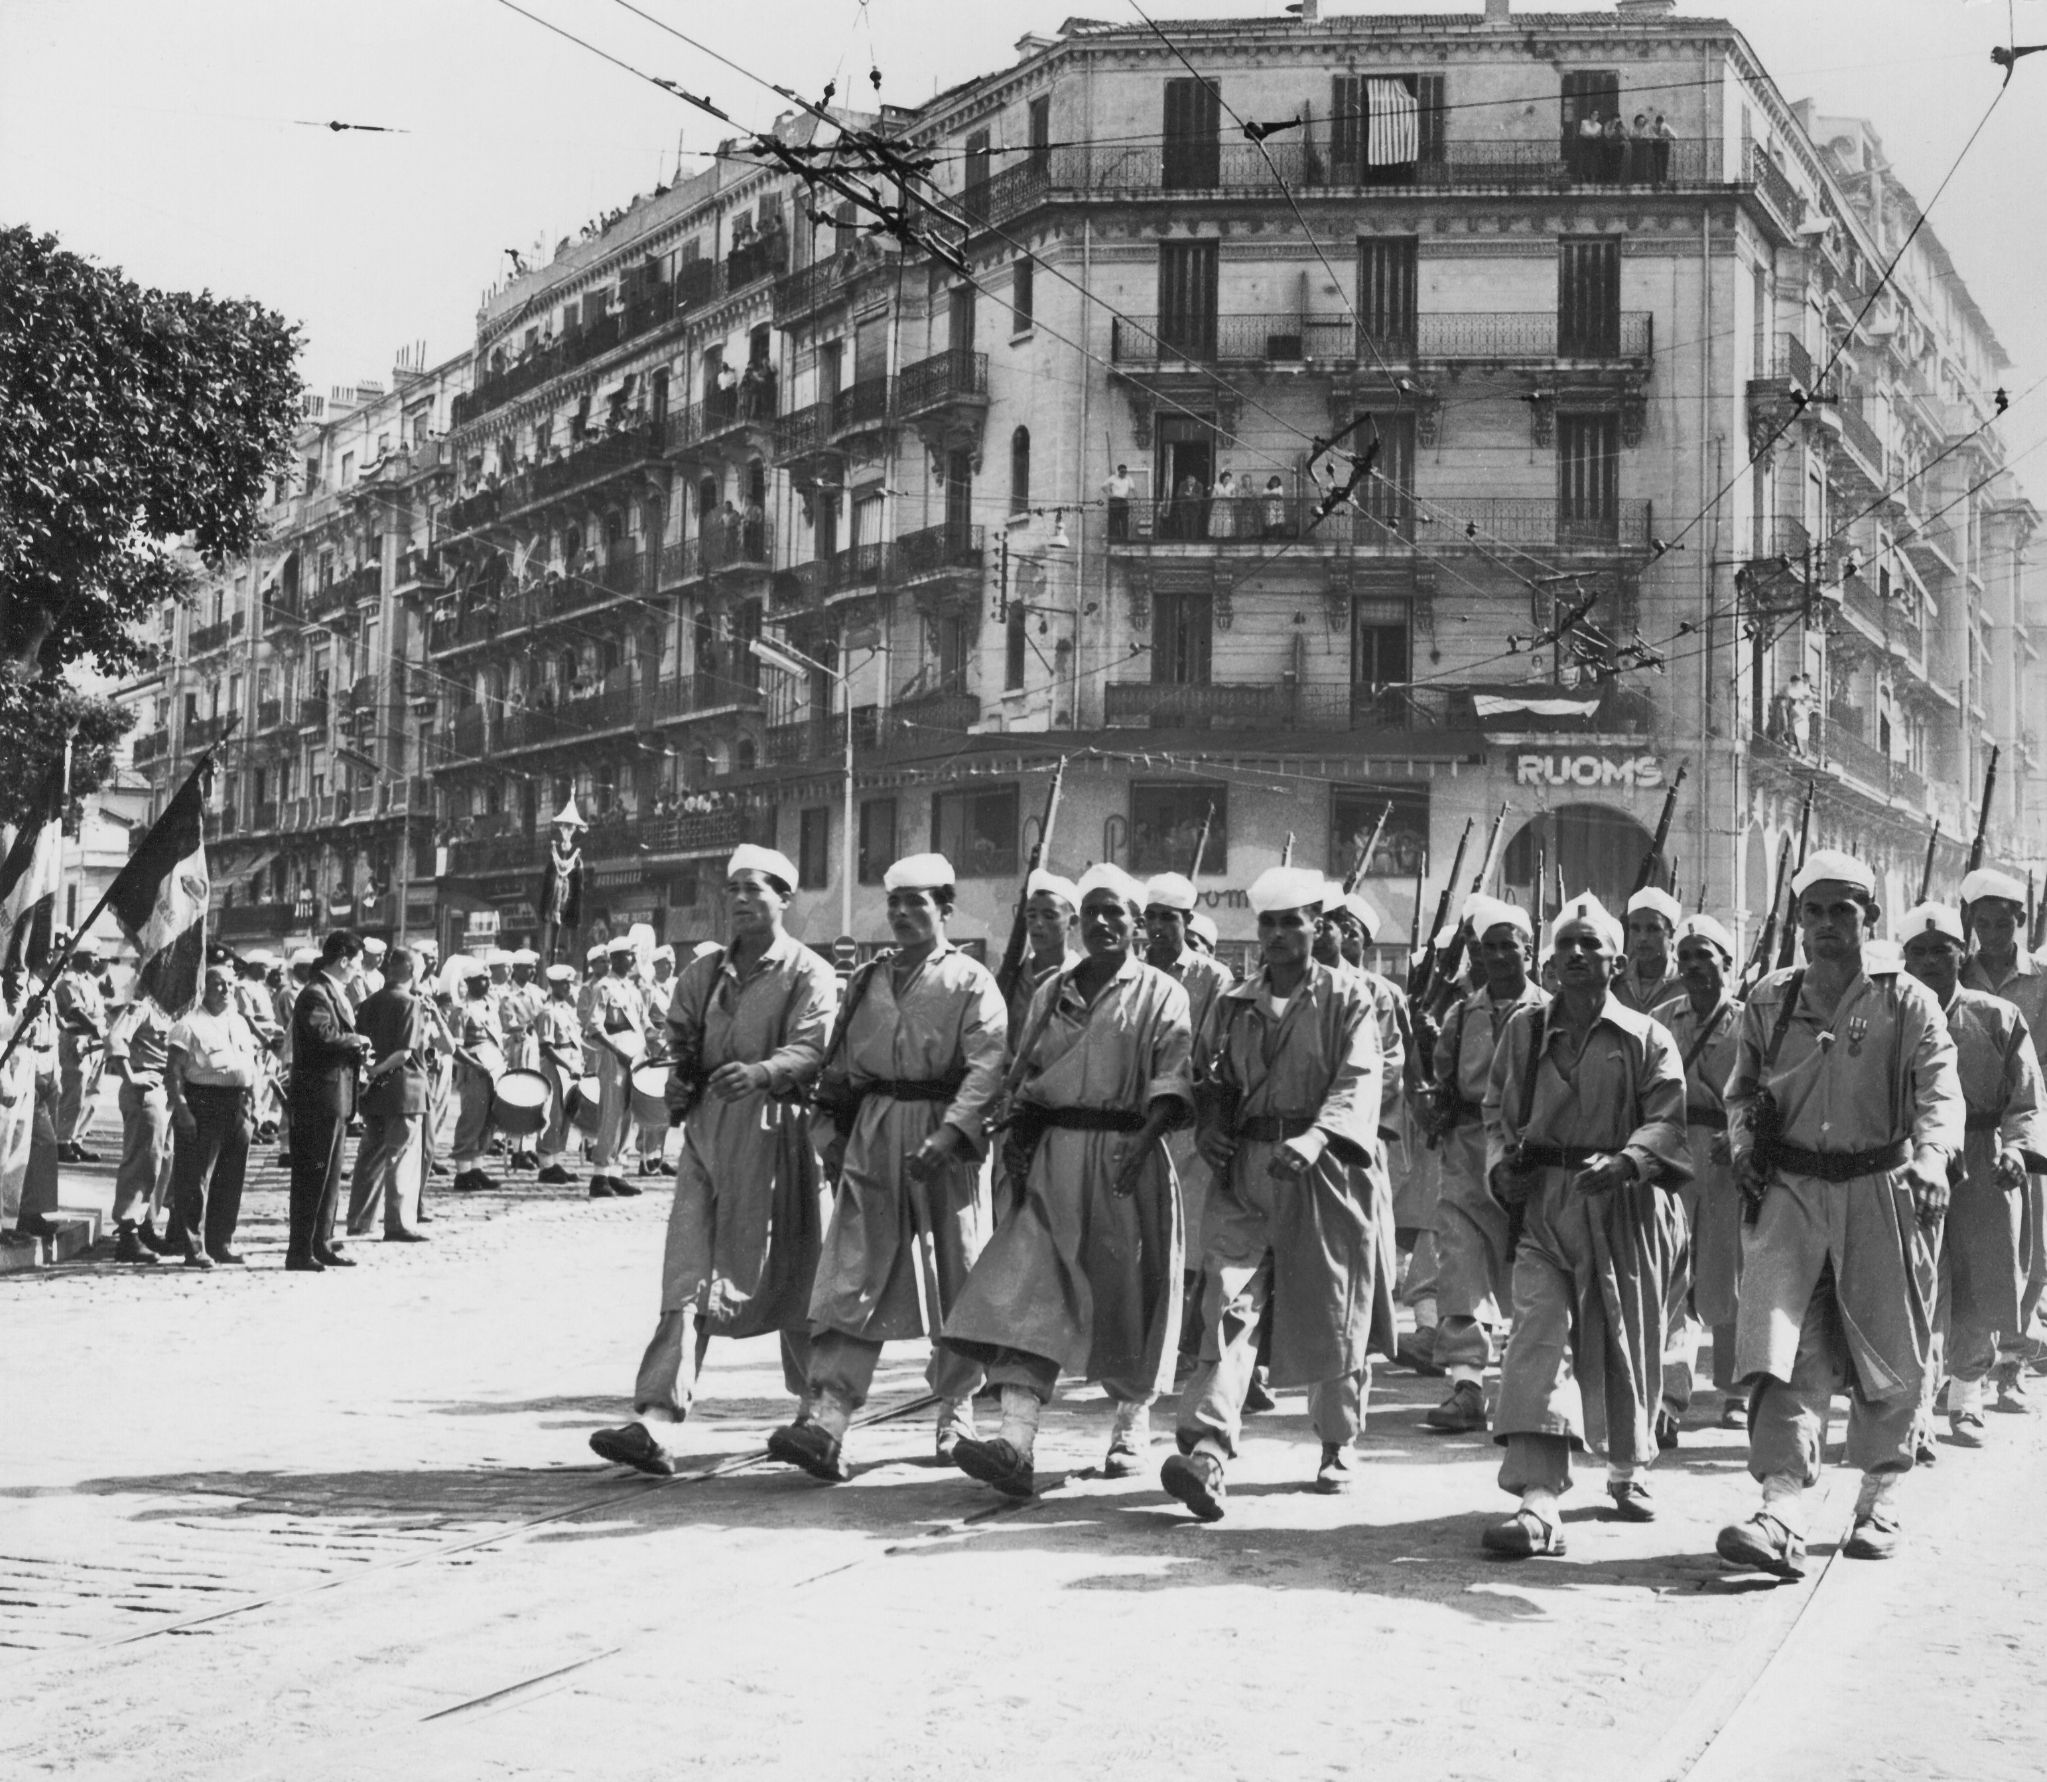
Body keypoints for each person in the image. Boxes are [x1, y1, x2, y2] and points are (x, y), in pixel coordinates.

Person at [1716, 851, 1963, 1578]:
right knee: (1784, 1350)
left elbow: (1938, 1088)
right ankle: (1780, 1506)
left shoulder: (1904, 999)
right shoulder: (1769, 999)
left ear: (1868, 919)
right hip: (1790, 1196)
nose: (1826, 926)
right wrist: (1741, 1147)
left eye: (1842, 911)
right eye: (1813, 912)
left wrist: (1930, 1158)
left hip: (1879, 1191)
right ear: (1797, 921)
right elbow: (1739, 1090)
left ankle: (1878, 1497)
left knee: (1889, 1350)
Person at [940, 864, 1193, 1497]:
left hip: (1124, 1160)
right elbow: (1025, 1075)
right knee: (1030, 1292)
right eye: (1093, 912)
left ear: (1137, 925)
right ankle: (1015, 1443)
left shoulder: (1163, 993)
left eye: (1118, 913)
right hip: (1053, 1160)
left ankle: (1131, 1425)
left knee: (1129, 1298)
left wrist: (1143, 1141)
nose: (1104, 922)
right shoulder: (1054, 988)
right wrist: (1020, 1139)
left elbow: (1173, 1076)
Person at [588, 846, 839, 1476]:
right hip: (707, 1140)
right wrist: (680, 1083)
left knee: (797, 1276)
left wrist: (763, 1072)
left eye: (756, 890)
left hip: (780, 1137)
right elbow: (681, 1043)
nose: (742, 901)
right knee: (687, 1274)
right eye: (733, 890)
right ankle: (654, 1420)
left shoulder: (808, 972)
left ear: (785, 898)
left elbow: (812, 1048)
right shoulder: (702, 976)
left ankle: (819, 1421)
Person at [768, 853, 1008, 1481]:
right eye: (894, 903)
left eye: (917, 903)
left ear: (945, 910)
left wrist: (955, 1130)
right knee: (851, 1275)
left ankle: (955, 1407)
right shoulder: (869, 979)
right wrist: (832, 1141)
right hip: (874, 1137)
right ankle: (829, 1419)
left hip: (941, 1139)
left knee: (957, 1273)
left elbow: (987, 1065)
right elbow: (840, 1069)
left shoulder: (971, 980)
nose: (902, 914)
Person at [1162, 865, 1388, 1518]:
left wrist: (1317, 1140)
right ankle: (1207, 1449)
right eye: (1270, 922)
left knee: (1330, 1309)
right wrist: (1206, 1125)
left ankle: (1337, 1441)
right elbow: (1200, 1073)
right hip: (1245, 1172)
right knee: (1226, 1305)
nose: (1282, 933)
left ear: (1317, 926)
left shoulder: (1349, 998)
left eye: (1294, 921)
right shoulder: (1234, 1003)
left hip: (1324, 1172)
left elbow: (1357, 1080)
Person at [1479, 894, 1690, 1558]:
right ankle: (1538, 1500)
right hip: (1544, 1204)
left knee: (1621, 1336)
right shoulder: (1524, 1030)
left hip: (1619, 1205)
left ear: (1616, 962)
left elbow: (1666, 1115)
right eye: (1565, 944)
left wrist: (1629, 1160)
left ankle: (1627, 1467)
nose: (1575, 955)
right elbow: (1495, 1113)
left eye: (1589, 946)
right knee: (1537, 1338)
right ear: (1548, 959)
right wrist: (1500, 1169)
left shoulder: (1645, 1037)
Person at [1897, 903, 2047, 1447]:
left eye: (1943, 950)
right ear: (1904, 958)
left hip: (1985, 1160)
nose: (1932, 960)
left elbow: (2028, 1099)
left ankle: (1966, 1398)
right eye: (1920, 951)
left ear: (1963, 954)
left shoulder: (1997, 1016)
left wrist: (2017, 1148)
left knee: (1981, 1275)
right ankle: (1914, 1408)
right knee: (1917, 1280)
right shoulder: (1894, 1015)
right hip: (1915, 1162)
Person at [1423, 897, 1547, 1434]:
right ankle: (1466, 1383)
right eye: (1488, 947)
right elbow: (1442, 1084)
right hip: (1468, 1152)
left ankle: (1533, 1390)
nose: (1498, 957)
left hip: (1527, 1153)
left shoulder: (1550, 1010)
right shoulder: (1460, 1013)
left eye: (1508, 946)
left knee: (1530, 1271)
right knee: (1460, 1266)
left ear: (1528, 951)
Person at [1651, 915, 1749, 1437]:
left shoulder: (1751, 1019)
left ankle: (1735, 1389)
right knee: (1672, 1275)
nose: (1692, 966)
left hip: (1730, 1163)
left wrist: (1741, 1136)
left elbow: (1769, 1087)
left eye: (1704, 956)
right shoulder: (1663, 1019)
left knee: (1730, 1274)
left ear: (1727, 965)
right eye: (1685, 956)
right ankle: (1670, 1394)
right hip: (1676, 1158)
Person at [1958, 866, 2047, 1392]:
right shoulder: (1954, 970)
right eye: (1982, 923)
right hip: (1967, 1125)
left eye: (2003, 923)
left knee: (2029, 1245)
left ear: (2020, 921)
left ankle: (2010, 1362)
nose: (1992, 934)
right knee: (1974, 1250)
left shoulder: (2041, 978)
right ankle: (1970, 1368)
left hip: (2029, 1122)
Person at [1142, 872, 1236, 1356]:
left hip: (1192, 1125)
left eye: (1169, 918)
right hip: (1141, 1123)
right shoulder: (1134, 972)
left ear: (1188, 921)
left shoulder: (1213, 978)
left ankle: (1191, 1341)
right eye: (1152, 917)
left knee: (1193, 1240)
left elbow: (1217, 1052)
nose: (1158, 927)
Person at [166, 963, 265, 1268]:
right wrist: (182, 1108)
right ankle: (192, 1246)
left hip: (238, 1104)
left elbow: (251, 1067)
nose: (226, 990)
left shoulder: (239, 1023)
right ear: (204, 988)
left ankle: (221, 1241)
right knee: (194, 1178)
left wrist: (256, 1105)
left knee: (230, 1178)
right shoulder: (189, 1025)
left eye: (231, 985)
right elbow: (174, 1072)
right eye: (218, 984)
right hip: (202, 1102)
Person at [286, 930, 372, 1272]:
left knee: (330, 1175)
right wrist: (356, 1039)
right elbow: (322, 1035)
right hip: (318, 1097)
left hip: (334, 1095)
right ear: (343, 960)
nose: (359, 971)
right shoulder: (316, 993)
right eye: (357, 964)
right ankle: (301, 1249)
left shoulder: (331, 991)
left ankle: (320, 1243)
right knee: (313, 1174)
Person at [346, 946, 431, 1243]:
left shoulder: (369, 1003)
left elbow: (361, 1045)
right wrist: (380, 1069)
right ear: (410, 970)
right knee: (402, 1157)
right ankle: (398, 1222)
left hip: (375, 1092)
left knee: (369, 1156)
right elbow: (405, 1052)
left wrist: (370, 1071)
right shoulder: (411, 1003)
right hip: (405, 1089)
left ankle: (359, 1219)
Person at [103, 996, 177, 1264]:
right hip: (146, 1084)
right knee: (142, 1160)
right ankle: (128, 1234)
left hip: (167, 1085)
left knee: (163, 1160)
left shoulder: (173, 1011)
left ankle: (146, 1226)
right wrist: (130, 1076)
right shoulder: (142, 1006)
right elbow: (114, 1038)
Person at [583, 936, 648, 1198]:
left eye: (633, 955)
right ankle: (600, 1174)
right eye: (627, 955)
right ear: (616, 959)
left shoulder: (633, 989)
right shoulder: (604, 987)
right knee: (612, 1113)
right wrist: (617, 1052)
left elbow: (644, 1024)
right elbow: (594, 1028)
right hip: (614, 1057)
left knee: (631, 1114)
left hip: (635, 1056)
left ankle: (617, 1172)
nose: (632, 960)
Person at [449, 959, 506, 1194]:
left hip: (494, 1067)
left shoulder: (489, 1006)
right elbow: (455, 1047)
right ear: (470, 983)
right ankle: (462, 1172)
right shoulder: (462, 1010)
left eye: (487, 979)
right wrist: (475, 1065)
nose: (487, 983)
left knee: (488, 1121)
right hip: (474, 1070)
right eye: (481, 980)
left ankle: (476, 1167)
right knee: (472, 1120)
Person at [1009, 869, 1080, 1039]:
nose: (1038, 923)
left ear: (1072, 921)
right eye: (1031, 915)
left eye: (1049, 916)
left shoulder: (1081, 977)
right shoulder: (1015, 977)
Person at [54, 944, 108, 1162]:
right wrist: (98, 1030)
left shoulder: (90, 980)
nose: (96, 960)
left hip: (96, 1042)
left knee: (92, 1094)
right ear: (78, 956)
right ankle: (62, 1141)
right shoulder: (68, 982)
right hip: (78, 1040)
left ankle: (77, 1139)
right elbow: (76, 1012)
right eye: (92, 955)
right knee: (73, 1093)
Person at [533, 964, 585, 1187]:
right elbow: (546, 1047)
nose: (568, 987)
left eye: (570, 983)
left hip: (571, 1064)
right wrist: (567, 1065)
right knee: (553, 1114)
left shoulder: (566, 1010)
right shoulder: (548, 1011)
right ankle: (546, 1164)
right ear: (553, 985)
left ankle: (556, 1161)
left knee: (566, 1114)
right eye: (563, 983)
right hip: (556, 1065)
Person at [636, 946, 678, 1177]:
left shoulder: (673, 988)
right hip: (656, 1050)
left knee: (666, 1105)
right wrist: (655, 1035)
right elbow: (642, 1021)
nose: (670, 967)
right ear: (656, 965)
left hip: (673, 1051)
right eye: (665, 964)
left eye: (672, 963)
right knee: (652, 1103)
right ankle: (645, 1157)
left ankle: (658, 1156)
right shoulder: (648, 990)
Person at [1613, 886, 1682, 1014]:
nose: (1642, 938)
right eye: (1635, 928)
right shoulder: (1616, 981)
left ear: (1672, 934)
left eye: (1653, 929)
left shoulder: (1685, 982)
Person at [1102, 464, 1134, 542]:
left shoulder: (1128, 479)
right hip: (1115, 500)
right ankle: (1115, 539)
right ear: (1118, 471)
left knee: (1124, 521)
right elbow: (1103, 486)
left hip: (1123, 500)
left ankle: (1124, 539)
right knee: (1114, 521)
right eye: (1121, 472)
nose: (1123, 474)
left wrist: (1133, 496)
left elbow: (1132, 488)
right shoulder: (1113, 478)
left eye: (1125, 472)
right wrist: (1110, 494)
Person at [1207, 469, 1238, 540]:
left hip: (1227, 504)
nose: (1227, 480)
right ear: (1222, 479)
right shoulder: (1217, 486)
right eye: (1226, 479)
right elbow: (1213, 495)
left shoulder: (1232, 486)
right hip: (1218, 504)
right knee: (1218, 519)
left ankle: (1226, 535)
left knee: (1227, 519)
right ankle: (1217, 535)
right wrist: (1220, 496)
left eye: (1229, 479)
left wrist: (1228, 496)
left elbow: (1234, 495)